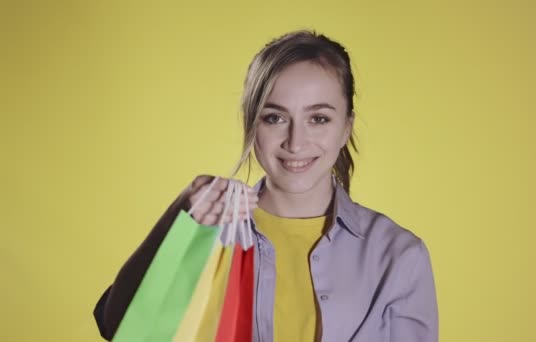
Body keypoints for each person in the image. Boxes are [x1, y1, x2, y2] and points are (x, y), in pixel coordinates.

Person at [94, 30, 438, 342]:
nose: (296, 141)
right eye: (275, 117)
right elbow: (122, 331)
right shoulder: (207, 232)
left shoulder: (399, 255)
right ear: (251, 124)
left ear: (346, 127)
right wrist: (181, 218)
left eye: (318, 118)